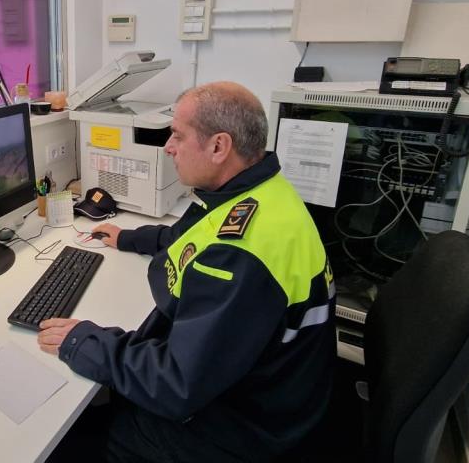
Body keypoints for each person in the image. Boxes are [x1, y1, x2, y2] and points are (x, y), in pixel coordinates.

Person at [37, 82, 334, 462]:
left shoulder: (239, 255)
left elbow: (175, 384)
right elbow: (194, 235)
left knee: (92, 433)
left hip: (246, 427)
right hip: (276, 390)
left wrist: (84, 341)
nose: (168, 147)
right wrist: (128, 238)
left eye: (177, 135)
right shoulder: (262, 192)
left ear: (218, 146)